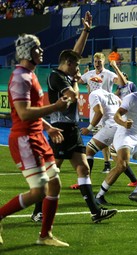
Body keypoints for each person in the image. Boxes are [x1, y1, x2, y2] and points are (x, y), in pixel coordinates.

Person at [46, 11, 118, 223]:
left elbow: (74, 54)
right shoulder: (56, 76)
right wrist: (77, 80)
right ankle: (38, 210)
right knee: (53, 170)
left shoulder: (64, 71)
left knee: (83, 167)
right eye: (76, 66)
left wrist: (86, 31)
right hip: (60, 127)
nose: (78, 69)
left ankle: (95, 212)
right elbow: (74, 95)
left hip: (71, 128)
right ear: (68, 65)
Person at [1, 33, 71, 246]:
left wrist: (48, 127)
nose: (41, 51)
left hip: (36, 136)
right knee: (38, 191)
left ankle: (45, 236)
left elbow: (34, 111)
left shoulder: (30, 75)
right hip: (24, 140)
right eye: (37, 48)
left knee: (55, 184)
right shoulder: (20, 77)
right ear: (27, 52)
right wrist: (56, 107)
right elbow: (23, 113)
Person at [95, 76, 137, 205]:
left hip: (136, 140)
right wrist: (124, 123)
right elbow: (117, 115)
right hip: (123, 136)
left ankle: (136, 192)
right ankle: (99, 195)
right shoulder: (131, 98)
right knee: (122, 165)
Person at [80, 78, 137, 188]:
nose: (87, 87)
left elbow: (99, 112)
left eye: (87, 85)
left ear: (90, 85)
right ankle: (135, 180)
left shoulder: (94, 94)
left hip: (110, 127)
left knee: (89, 150)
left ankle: (85, 182)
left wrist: (89, 128)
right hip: (119, 127)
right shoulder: (112, 95)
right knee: (118, 158)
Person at [78, 52, 124, 174]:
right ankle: (110, 163)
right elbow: (78, 81)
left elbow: (120, 82)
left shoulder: (108, 74)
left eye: (99, 61)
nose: (97, 64)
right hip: (95, 106)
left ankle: (108, 162)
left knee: (103, 138)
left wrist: (117, 69)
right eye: (95, 61)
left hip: (107, 108)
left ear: (104, 62)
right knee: (99, 136)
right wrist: (80, 73)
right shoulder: (89, 74)